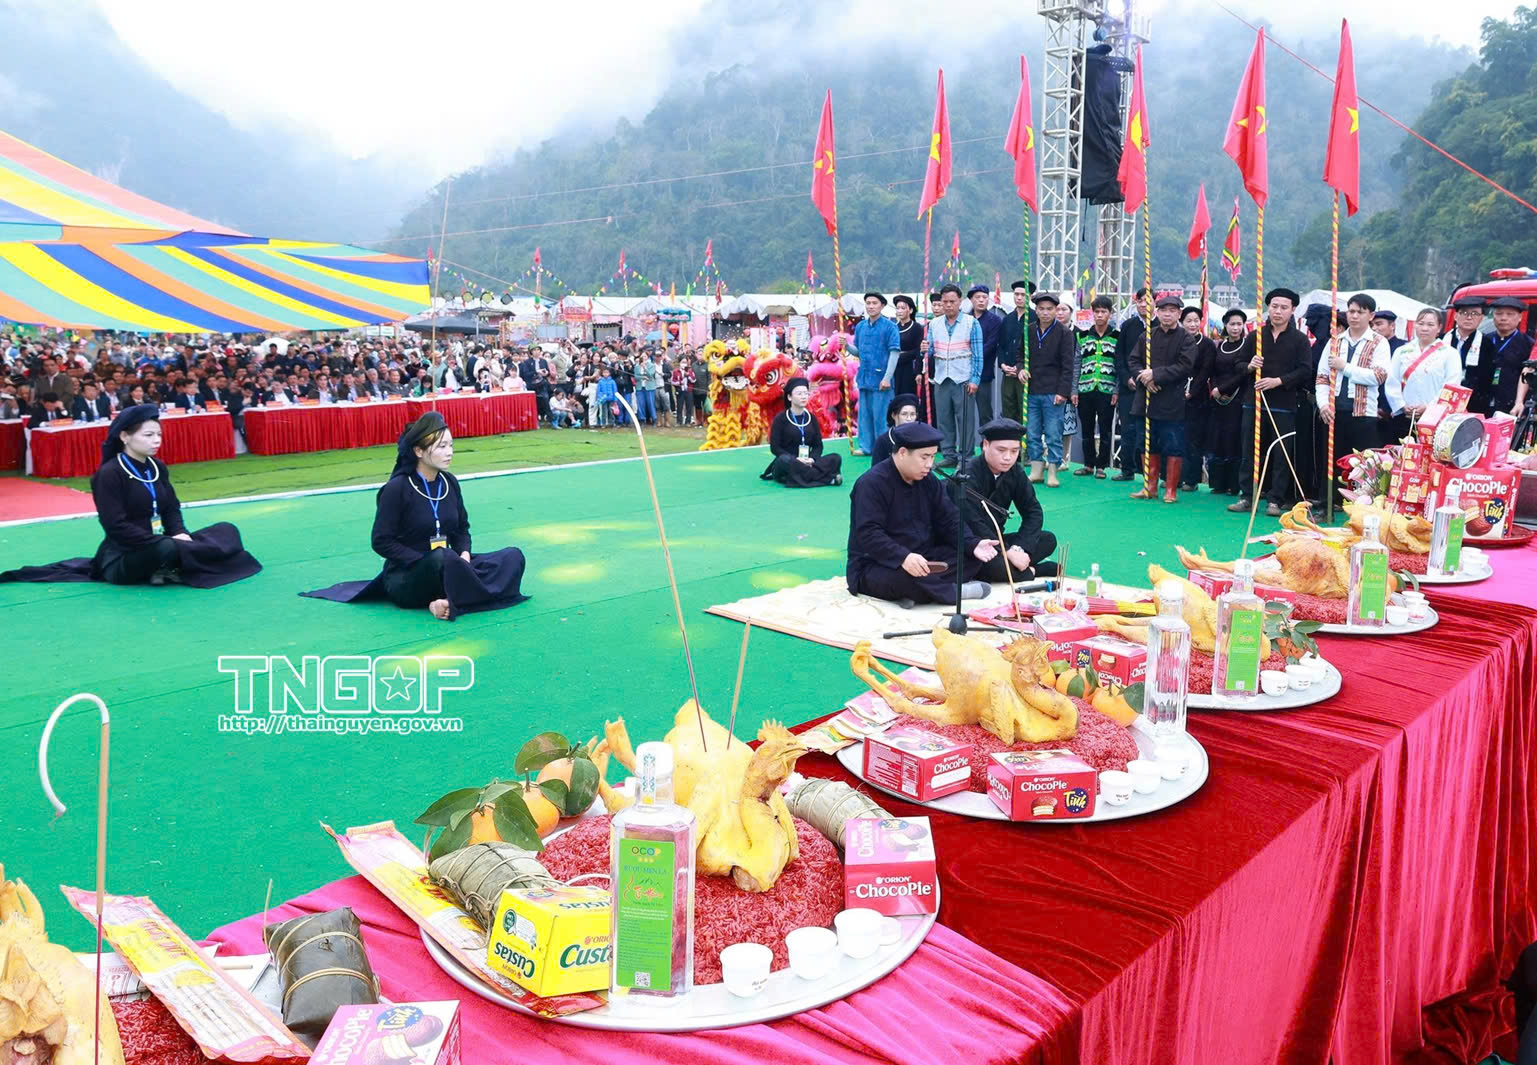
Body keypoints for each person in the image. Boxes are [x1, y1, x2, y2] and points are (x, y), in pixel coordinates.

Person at [1, 405, 261, 587]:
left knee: (226, 529)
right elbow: (116, 526)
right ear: (125, 436)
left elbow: (171, 508)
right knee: (168, 547)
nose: (156, 440)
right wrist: (167, 541)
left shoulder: (157, 467)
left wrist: (180, 533)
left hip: (161, 541)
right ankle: (169, 562)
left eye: (158, 435)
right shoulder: (109, 474)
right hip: (124, 555)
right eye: (148, 435)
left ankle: (169, 564)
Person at [301, 412, 529, 620]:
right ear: (419, 451)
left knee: (512, 557)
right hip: (407, 576)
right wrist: (424, 560)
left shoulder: (449, 482)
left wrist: (465, 555)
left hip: (450, 565)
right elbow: (381, 541)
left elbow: (461, 529)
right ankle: (464, 596)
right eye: (441, 446)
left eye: (451, 445)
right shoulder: (397, 489)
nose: (449, 452)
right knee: (442, 558)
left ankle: (448, 600)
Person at [846, 420, 993, 606]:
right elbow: (869, 534)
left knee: (971, 558)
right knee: (903, 578)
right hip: (878, 564)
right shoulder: (871, 484)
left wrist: (972, 543)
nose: (930, 464)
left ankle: (921, 593)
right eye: (924, 457)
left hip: (922, 556)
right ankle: (952, 592)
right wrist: (903, 557)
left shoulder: (928, 480)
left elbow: (949, 518)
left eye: (932, 457)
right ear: (902, 453)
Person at [1229, 288, 1316, 517]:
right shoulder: (1255, 336)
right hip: (1253, 402)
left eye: (1283, 307)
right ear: (1268, 307)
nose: (1278, 311)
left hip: (1284, 404)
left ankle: (1275, 499)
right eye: (1274, 306)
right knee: (1249, 450)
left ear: (1293, 310)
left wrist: (1279, 381)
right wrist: (1250, 366)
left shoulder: (1300, 340)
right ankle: (1247, 496)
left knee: (1280, 454)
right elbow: (1238, 364)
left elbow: (1305, 371)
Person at [962, 418, 1059, 584]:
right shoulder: (967, 475)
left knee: (1048, 539)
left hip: (999, 540)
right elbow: (974, 524)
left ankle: (1015, 568)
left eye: (1014, 451)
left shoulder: (1015, 471)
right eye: (1001, 450)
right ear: (985, 445)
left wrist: (1020, 547)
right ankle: (1033, 571)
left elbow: (1033, 512)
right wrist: (1006, 552)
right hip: (974, 543)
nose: (1008, 457)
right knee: (990, 565)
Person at [1128, 295, 1197, 502]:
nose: (1167, 314)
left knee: (1173, 445)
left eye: (1172, 311)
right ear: (1156, 312)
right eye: (1163, 310)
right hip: (1146, 399)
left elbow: (1185, 366)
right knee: (1146, 443)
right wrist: (1145, 378)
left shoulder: (1186, 339)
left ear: (1179, 314)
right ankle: (1149, 486)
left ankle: (1171, 489)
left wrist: (1155, 375)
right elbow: (1133, 361)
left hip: (1171, 401)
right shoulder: (1146, 336)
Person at [1316, 293, 1392, 473]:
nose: (1355, 316)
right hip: (1334, 412)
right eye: (1351, 311)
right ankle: (1330, 493)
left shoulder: (1379, 342)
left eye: (1360, 312)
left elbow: (1378, 376)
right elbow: (1322, 377)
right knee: (1332, 465)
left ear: (1371, 315)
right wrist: (1323, 404)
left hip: (1363, 414)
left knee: (1362, 467)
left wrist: (1345, 367)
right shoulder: (1335, 341)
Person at [921, 283, 983, 469]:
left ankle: (966, 457)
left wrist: (975, 379)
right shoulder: (934, 324)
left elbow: (978, 355)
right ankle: (949, 454)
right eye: (945, 301)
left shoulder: (971, 323)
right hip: (941, 378)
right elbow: (930, 351)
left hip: (963, 378)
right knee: (944, 419)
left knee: (965, 420)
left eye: (952, 301)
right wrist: (925, 349)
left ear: (960, 302)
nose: (948, 305)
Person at [1384, 307, 1465, 441]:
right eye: (1420, 323)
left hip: (1436, 418)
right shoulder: (1401, 351)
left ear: (1439, 328)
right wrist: (1401, 406)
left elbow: (1452, 385)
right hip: (1405, 416)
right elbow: (1392, 381)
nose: (1424, 328)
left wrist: (1429, 407)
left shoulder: (1450, 353)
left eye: (1430, 324)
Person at [1025, 290, 1074, 486]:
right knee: (1032, 433)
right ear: (1036, 310)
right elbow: (1020, 356)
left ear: (1055, 310)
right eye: (1041, 309)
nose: (1045, 312)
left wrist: (1063, 392)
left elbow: (1068, 366)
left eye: (1050, 309)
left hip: (1054, 392)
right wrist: (1020, 369)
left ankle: (1053, 471)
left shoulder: (1065, 333)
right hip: (1032, 390)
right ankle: (1036, 470)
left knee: (1054, 434)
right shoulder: (1029, 330)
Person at [761, 377, 843, 487]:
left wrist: (812, 458)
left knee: (835, 458)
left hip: (808, 462)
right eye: (799, 394)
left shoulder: (812, 418)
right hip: (789, 462)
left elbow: (818, 446)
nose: (803, 396)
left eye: (805, 393)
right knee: (784, 460)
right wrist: (796, 459)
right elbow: (775, 448)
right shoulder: (780, 419)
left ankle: (806, 478)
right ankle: (827, 479)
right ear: (789, 397)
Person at [849, 292, 901, 456]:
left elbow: (894, 353)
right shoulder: (861, 327)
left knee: (881, 417)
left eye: (874, 303)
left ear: (882, 306)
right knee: (865, 415)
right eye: (868, 303)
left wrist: (887, 377)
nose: (871, 306)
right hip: (864, 377)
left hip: (882, 379)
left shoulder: (890, 327)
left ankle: (884, 449)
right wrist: (846, 346)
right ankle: (866, 447)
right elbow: (858, 352)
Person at [1074, 295, 1118, 478]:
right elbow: (1077, 364)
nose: (1100, 315)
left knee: (1105, 429)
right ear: (1092, 313)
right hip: (1085, 389)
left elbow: (1120, 366)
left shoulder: (1117, 337)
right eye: (1097, 311)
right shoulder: (1082, 336)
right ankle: (1088, 464)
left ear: (1110, 313)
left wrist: (1117, 390)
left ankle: (1102, 466)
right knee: (1087, 428)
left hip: (1107, 390)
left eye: (1103, 311)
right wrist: (1074, 390)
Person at [1206, 309, 1249, 494]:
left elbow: (1243, 374)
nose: (1236, 328)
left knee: (1233, 440)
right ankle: (1218, 483)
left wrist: (1223, 390)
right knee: (1218, 438)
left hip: (1237, 398)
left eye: (1239, 324)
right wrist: (1215, 390)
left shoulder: (1246, 346)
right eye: (1232, 324)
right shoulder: (1220, 346)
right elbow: (1213, 371)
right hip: (1217, 400)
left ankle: (1234, 484)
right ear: (1225, 325)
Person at [1111, 288, 1150, 481]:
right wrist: (1127, 378)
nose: (1144, 304)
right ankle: (1127, 469)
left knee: (1149, 432)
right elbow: (1119, 356)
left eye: (1147, 300)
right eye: (1140, 301)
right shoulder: (1128, 325)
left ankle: (1149, 473)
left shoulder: (1160, 326)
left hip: (1153, 388)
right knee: (1128, 429)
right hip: (1130, 387)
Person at [1179, 306, 1216, 491]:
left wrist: (1192, 392)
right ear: (1182, 322)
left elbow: (1205, 372)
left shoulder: (1207, 344)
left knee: (1193, 439)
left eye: (1196, 321)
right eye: (1189, 321)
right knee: (1176, 437)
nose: (1192, 325)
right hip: (1175, 395)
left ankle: (1191, 479)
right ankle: (1173, 477)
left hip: (1198, 398)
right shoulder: (1177, 340)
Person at [1486, 296, 1533, 416]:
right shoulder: (1484, 340)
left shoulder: (1528, 344)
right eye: (1499, 314)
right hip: (1483, 402)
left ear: (1520, 317)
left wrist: (1519, 402)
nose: (1503, 318)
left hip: (1513, 405)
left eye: (1509, 314)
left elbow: (1528, 375)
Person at [995, 281, 1032, 425]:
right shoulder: (1007, 319)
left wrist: (1020, 367)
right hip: (1008, 373)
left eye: (1023, 294)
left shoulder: (1034, 318)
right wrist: (1002, 364)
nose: (1019, 297)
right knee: (1008, 410)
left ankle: (1025, 440)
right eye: (1016, 294)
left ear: (1030, 296)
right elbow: (1001, 346)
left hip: (1025, 375)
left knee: (1025, 412)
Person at [968, 284, 1004, 425]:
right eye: (978, 297)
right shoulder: (965, 318)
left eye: (984, 297)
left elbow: (991, 345)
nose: (981, 300)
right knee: (964, 412)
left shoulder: (995, 320)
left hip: (984, 372)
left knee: (985, 412)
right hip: (963, 372)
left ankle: (986, 437)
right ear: (971, 299)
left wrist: (971, 356)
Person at [1443, 295, 1489, 407]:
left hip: (1472, 402)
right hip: (1441, 395)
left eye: (1474, 313)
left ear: (1482, 318)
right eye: (1464, 313)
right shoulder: (1441, 340)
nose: (1469, 317)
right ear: (1455, 316)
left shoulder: (1487, 344)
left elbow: (1486, 380)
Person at [891, 295, 926, 421]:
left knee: (907, 398)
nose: (899, 311)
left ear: (910, 310)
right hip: (894, 368)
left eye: (903, 308)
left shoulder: (916, 328)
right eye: (898, 308)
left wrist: (918, 372)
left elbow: (918, 350)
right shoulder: (893, 327)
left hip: (909, 368)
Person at [870, 393, 922, 467]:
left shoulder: (922, 438)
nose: (909, 419)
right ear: (893, 415)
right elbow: (875, 470)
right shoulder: (882, 441)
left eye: (912, 414)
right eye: (904, 414)